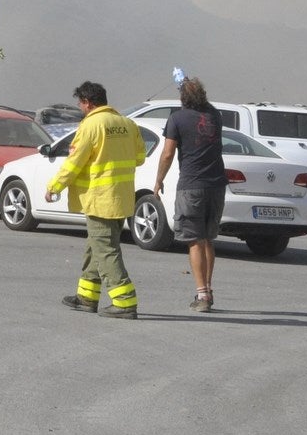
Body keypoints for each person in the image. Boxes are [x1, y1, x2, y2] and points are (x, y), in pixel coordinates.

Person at [47, 81, 148, 319]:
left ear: (88, 103)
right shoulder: (127, 123)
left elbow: (74, 162)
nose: (80, 107)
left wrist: (54, 186)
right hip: (120, 197)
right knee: (96, 247)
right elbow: (140, 157)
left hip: (100, 198)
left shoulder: (91, 125)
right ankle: (86, 297)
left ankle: (124, 302)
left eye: (80, 103)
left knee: (106, 250)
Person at [154, 77, 228, 312]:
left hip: (191, 186)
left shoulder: (177, 118)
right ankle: (208, 288)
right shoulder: (216, 116)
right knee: (207, 239)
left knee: (195, 240)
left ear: (182, 98)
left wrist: (159, 181)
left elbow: (167, 154)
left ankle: (202, 296)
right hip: (216, 185)